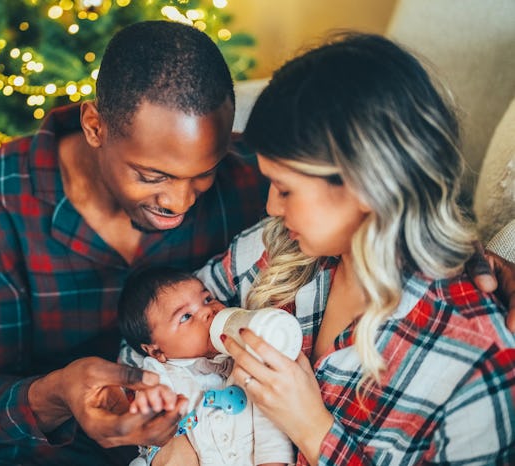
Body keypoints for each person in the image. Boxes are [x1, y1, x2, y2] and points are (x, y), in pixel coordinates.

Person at [0, 21, 513, 466]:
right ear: (94, 127)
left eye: (203, 178)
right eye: (152, 175)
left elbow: (409, 231)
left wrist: (476, 260)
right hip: (47, 407)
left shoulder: (258, 191)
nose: (181, 203)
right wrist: (75, 390)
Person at [200, 33, 515, 464]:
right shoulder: (278, 247)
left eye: (287, 190)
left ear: (369, 186)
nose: (271, 206)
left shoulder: (473, 363)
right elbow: (168, 318)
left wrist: (314, 430)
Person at [117, 266, 293, 466]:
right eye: (185, 316)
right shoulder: (159, 373)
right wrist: (150, 402)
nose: (208, 312)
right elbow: (153, 412)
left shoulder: (244, 360)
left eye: (207, 299)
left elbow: (269, 423)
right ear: (157, 351)